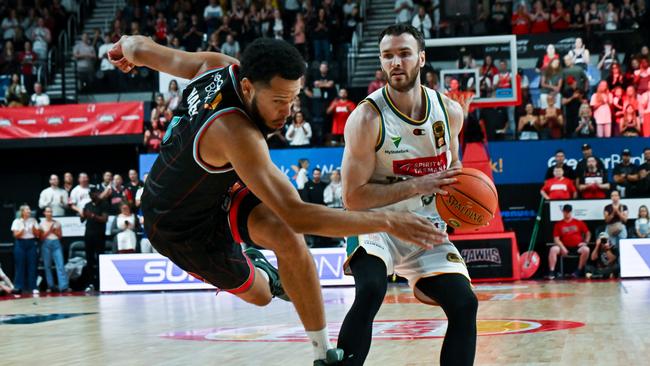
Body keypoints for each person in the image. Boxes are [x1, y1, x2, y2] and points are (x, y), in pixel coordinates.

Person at [108, 35, 440, 365]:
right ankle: (264, 272)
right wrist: (389, 220)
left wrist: (126, 48)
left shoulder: (217, 65)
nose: (287, 111)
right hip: (177, 224)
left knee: (287, 235)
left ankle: (324, 354)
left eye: (293, 99)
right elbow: (300, 214)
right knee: (262, 295)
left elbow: (141, 47)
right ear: (249, 88)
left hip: (220, 188)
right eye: (278, 100)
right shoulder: (236, 133)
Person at [337, 24, 476, 366]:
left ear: (422, 58)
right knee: (370, 290)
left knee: (465, 304)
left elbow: (454, 171)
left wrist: (464, 201)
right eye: (388, 56)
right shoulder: (366, 118)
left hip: (424, 224)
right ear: (381, 63)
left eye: (404, 53)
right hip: (375, 222)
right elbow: (352, 198)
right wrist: (417, 183)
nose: (395, 62)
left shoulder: (450, 112)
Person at [547, 204, 591, 279]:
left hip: (577, 247)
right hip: (564, 246)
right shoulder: (558, 224)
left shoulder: (578, 222)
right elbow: (556, 239)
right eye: (566, 212)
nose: (567, 213)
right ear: (563, 212)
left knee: (586, 249)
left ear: (571, 212)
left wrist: (586, 242)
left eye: (569, 212)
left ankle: (578, 270)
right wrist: (562, 247)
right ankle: (552, 272)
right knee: (553, 249)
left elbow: (588, 233)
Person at [81, 185, 109, 291]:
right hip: (88, 235)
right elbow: (82, 220)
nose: (92, 195)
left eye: (94, 193)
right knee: (89, 260)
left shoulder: (104, 204)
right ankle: (90, 283)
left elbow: (104, 219)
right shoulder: (87, 205)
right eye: (91, 194)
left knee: (100, 259)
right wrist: (83, 215)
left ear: (98, 194)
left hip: (99, 236)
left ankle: (101, 283)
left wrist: (92, 216)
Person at [10, 205, 40, 294]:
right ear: (22, 212)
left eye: (29, 210)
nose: (29, 211)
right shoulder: (17, 221)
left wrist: (34, 228)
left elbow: (37, 234)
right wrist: (22, 228)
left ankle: (33, 287)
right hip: (20, 243)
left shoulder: (33, 221)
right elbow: (15, 235)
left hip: (31, 243)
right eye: (27, 209)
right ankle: (18, 287)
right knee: (20, 266)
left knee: (32, 266)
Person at [39, 207, 68, 292]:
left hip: (56, 243)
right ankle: (50, 286)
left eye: (51, 211)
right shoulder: (41, 224)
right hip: (46, 244)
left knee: (60, 264)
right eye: (47, 212)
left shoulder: (57, 223)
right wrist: (50, 230)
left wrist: (55, 231)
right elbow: (41, 237)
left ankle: (63, 286)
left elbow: (60, 236)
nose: (49, 213)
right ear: (44, 213)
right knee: (47, 266)